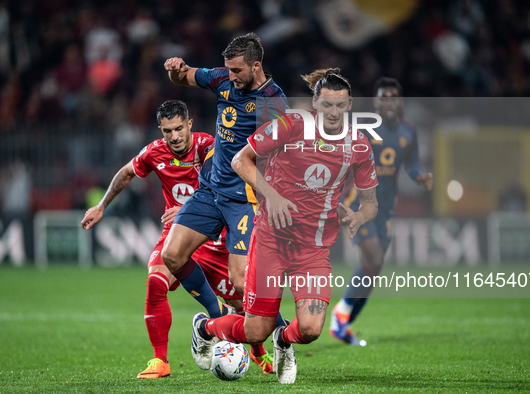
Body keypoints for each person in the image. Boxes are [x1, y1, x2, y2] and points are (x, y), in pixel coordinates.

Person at [190, 68, 379, 384]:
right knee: (254, 331)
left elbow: (371, 202)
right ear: (315, 103)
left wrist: (359, 216)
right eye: (327, 105)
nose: (334, 112)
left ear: (349, 106)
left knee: (311, 329)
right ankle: (205, 328)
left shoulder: (358, 145)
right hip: (271, 243)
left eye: (341, 105)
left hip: (313, 250)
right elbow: (240, 160)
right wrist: (272, 196)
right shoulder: (290, 125)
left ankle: (284, 341)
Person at [81, 100, 244, 379]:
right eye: (168, 131)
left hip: (214, 235)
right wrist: (102, 206)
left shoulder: (208, 146)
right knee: (155, 281)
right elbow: (126, 173)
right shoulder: (155, 152)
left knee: (243, 305)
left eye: (179, 128)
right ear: (161, 129)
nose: (175, 136)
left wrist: (190, 207)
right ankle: (160, 361)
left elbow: (227, 184)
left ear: (190, 124)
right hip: (177, 233)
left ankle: (255, 347)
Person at [162, 33, 288, 370]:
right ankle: (213, 319)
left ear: (256, 66)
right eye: (228, 69)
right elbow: (185, 75)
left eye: (236, 70)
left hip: (244, 201)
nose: (230, 75)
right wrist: (175, 69)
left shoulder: (273, 103)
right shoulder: (221, 79)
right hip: (209, 191)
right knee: (171, 255)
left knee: (240, 283)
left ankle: (281, 335)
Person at [330, 77, 433, 345]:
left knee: (372, 268)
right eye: (383, 97)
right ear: (376, 102)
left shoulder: (408, 132)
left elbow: (411, 164)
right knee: (374, 259)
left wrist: (420, 176)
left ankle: (344, 323)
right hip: (357, 203)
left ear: (400, 102)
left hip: (384, 208)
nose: (389, 102)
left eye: (393, 97)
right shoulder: (362, 128)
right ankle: (340, 314)